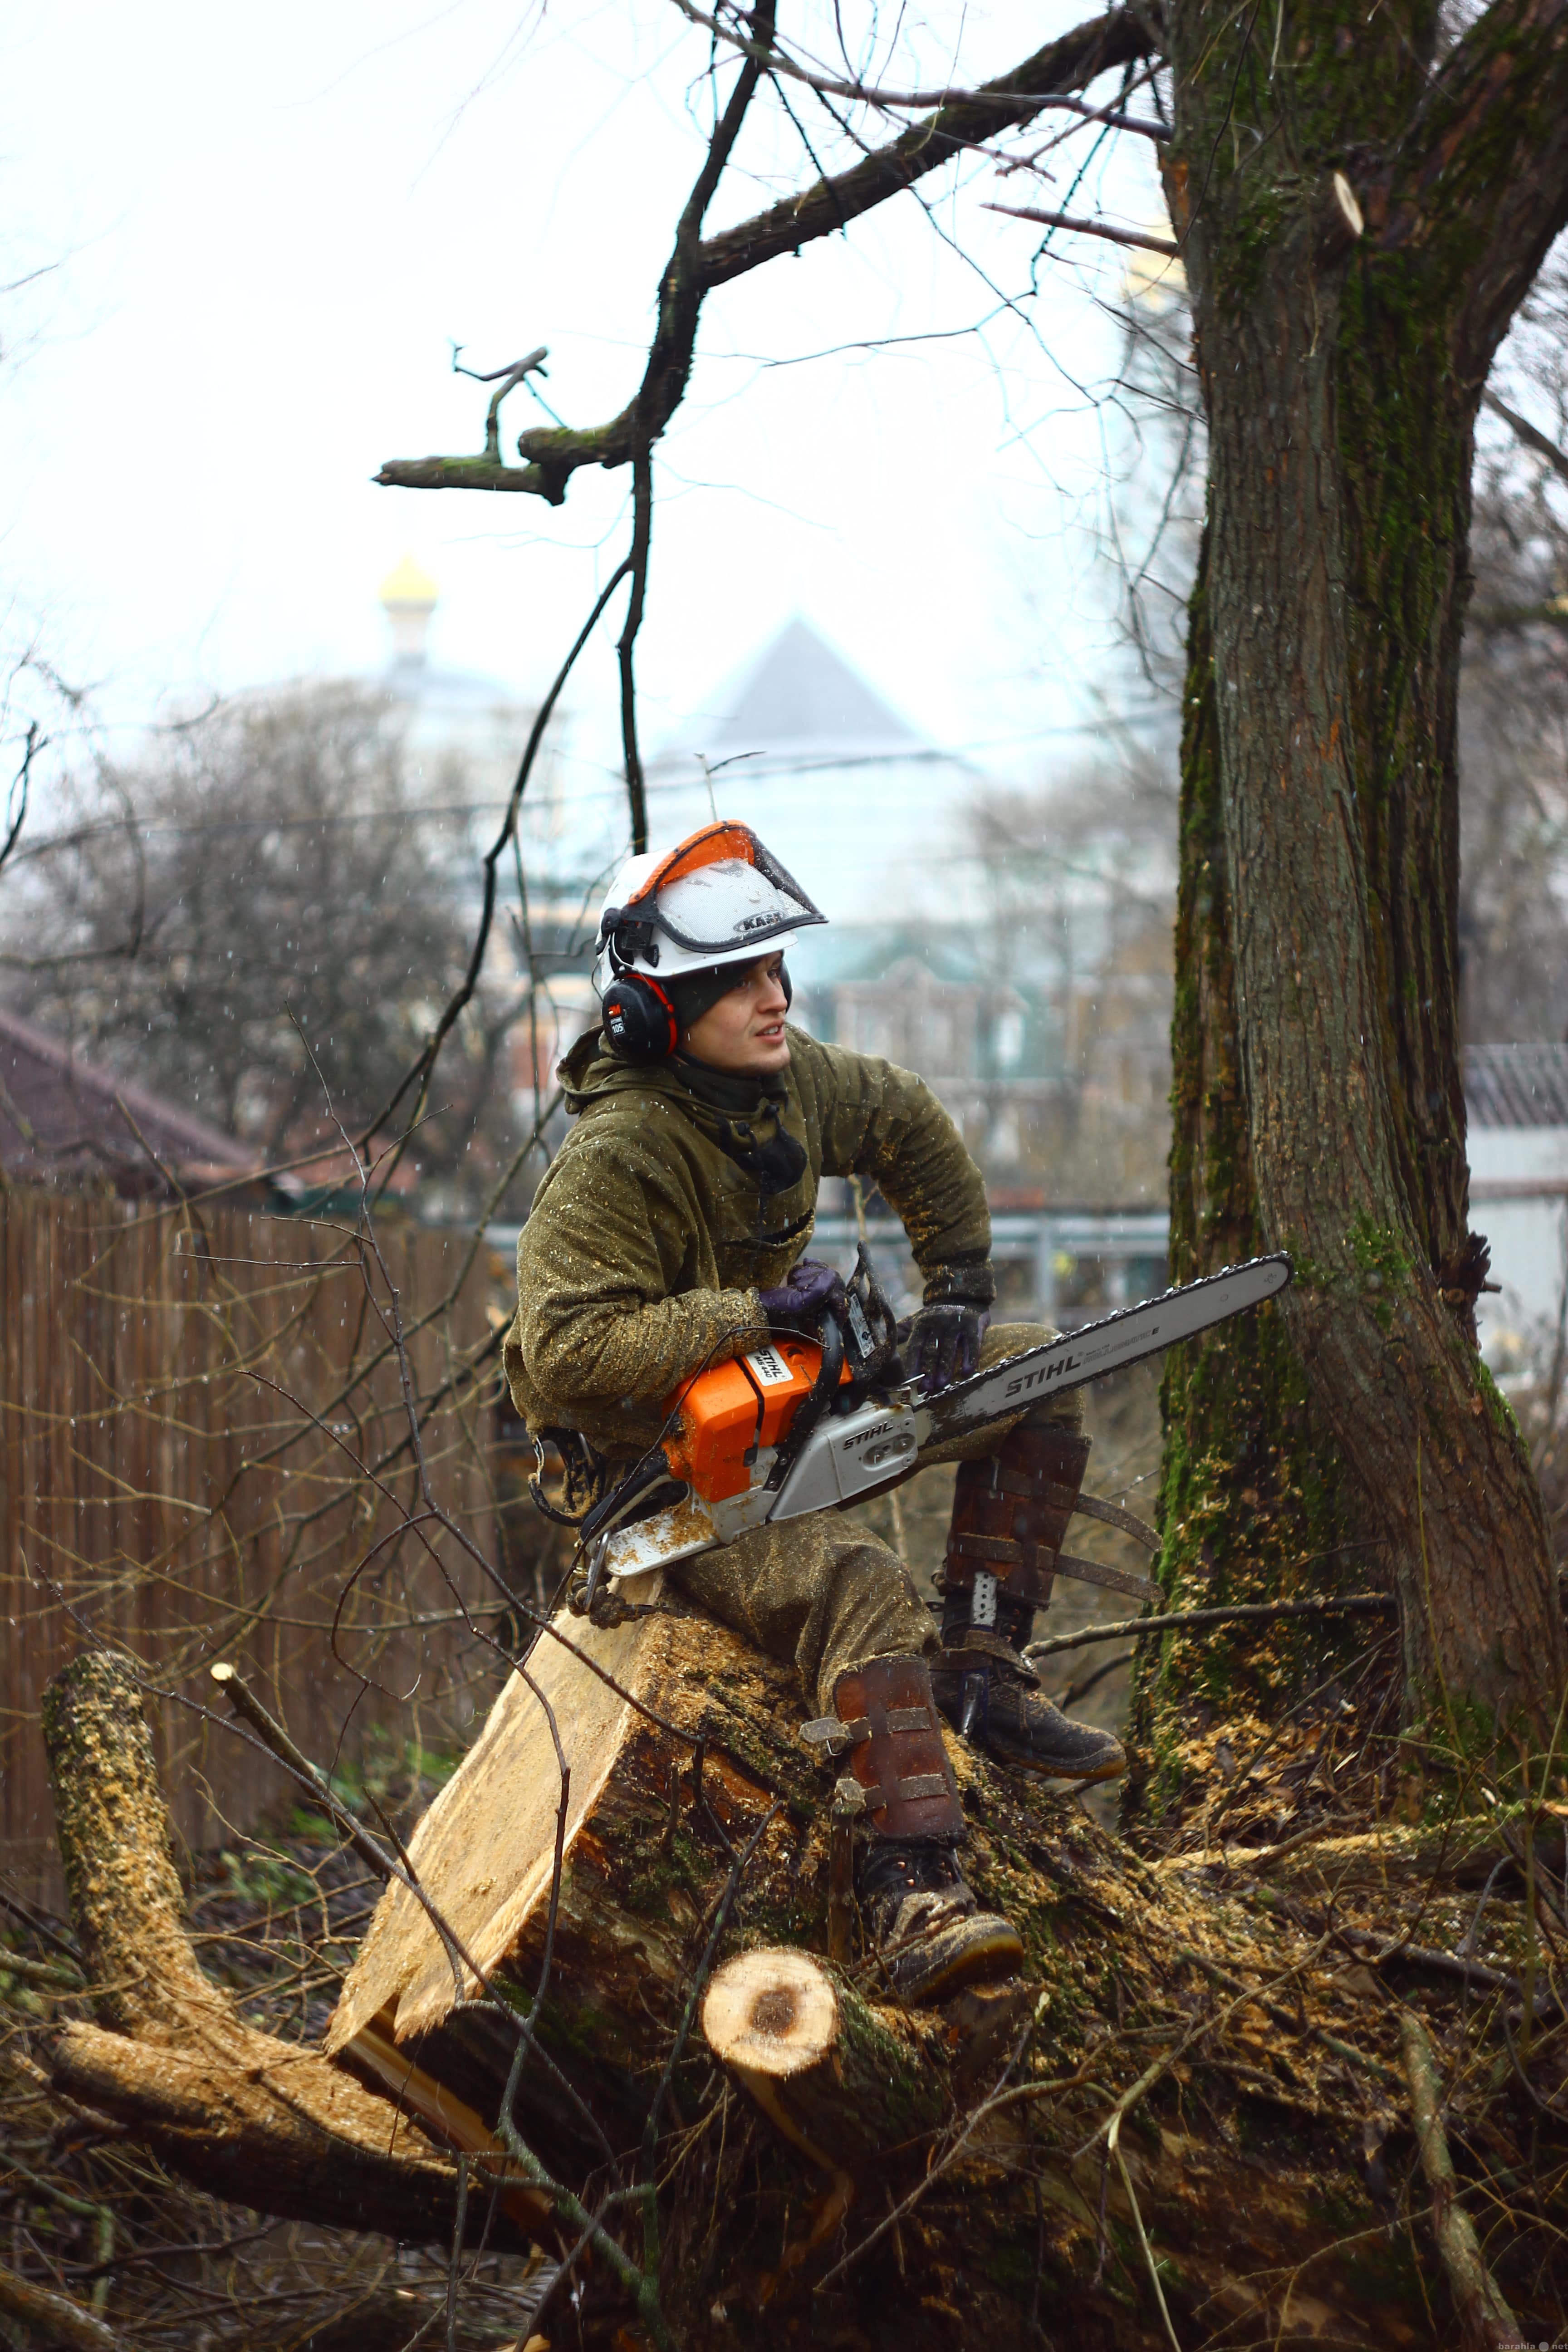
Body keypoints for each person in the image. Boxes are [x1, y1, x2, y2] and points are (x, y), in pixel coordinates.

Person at [505, 821, 1125, 2003]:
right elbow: (568, 1350)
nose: (775, 998)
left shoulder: (790, 1088)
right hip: (665, 1483)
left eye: (779, 970)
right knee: (855, 1583)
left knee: (1031, 1366)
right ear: (656, 1008)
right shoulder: (621, 1153)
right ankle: (909, 1889)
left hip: (785, 1410)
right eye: (740, 981)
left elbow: (904, 1117)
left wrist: (957, 1286)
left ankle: (988, 1667)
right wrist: (754, 1316)